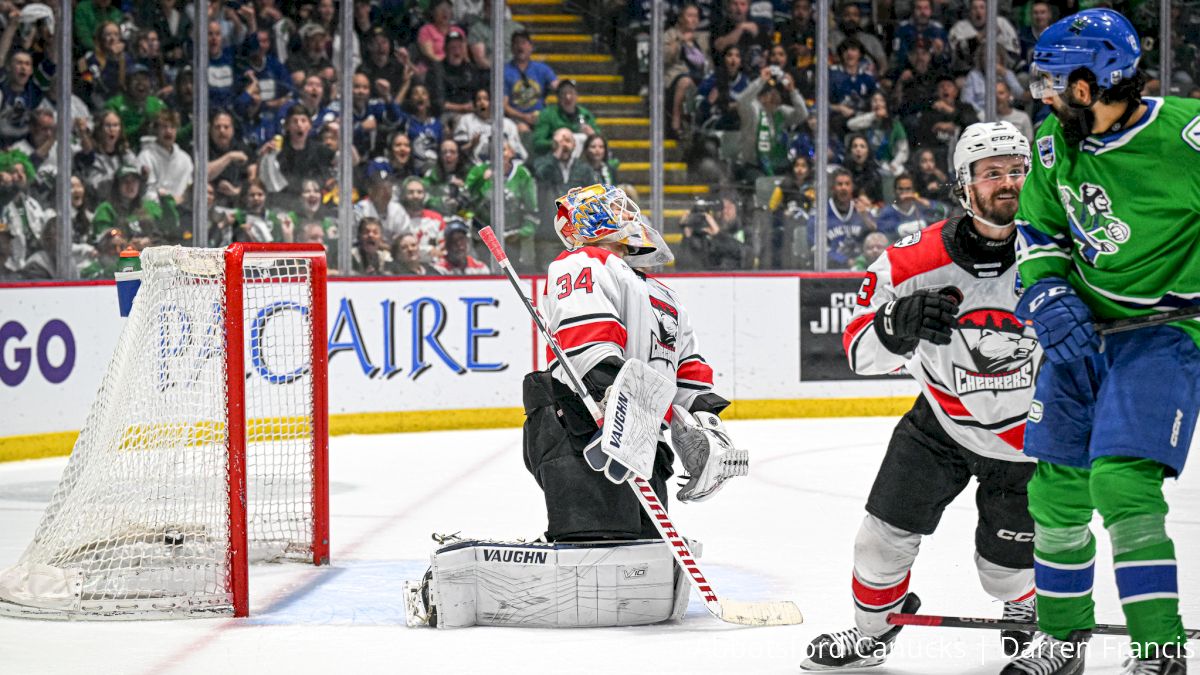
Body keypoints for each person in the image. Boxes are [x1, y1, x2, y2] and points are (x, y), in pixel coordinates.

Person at [1002, 10, 1199, 674]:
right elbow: (1037, 233)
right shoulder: (1055, 145)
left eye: (1055, 83)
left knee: (1120, 482)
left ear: (1089, 86)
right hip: (1080, 332)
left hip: (1164, 330)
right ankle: (1061, 640)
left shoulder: (1188, 138)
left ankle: (1159, 648)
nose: (1045, 95)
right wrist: (1047, 292)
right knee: (1055, 489)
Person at [804, 122, 1038, 671]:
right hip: (942, 425)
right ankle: (872, 634)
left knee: (1001, 572)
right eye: (991, 173)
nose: (1007, 182)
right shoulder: (910, 261)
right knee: (878, 543)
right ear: (963, 185)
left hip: (1028, 437)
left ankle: (1025, 609)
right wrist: (895, 323)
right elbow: (861, 354)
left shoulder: (1056, 249)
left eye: (1017, 170)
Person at [808, 168, 877, 269]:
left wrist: (866, 217)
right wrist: (844, 261)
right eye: (839, 184)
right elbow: (815, 246)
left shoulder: (861, 210)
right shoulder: (820, 212)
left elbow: (878, 238)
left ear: (852, 187)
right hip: (830, 270)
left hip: (861, 267)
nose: (843, 188)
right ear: (833, 188)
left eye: (847, 184)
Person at [874, 172, 949, 239]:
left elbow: (944, 211)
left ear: (913, 191)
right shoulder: (887, 212)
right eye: (900, 189)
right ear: (894, 191)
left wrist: (920, 200)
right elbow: (882, 231)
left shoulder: (921, 207)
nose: (904, 192)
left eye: (908, 189)